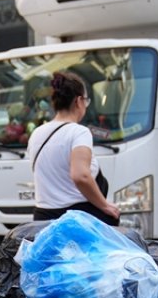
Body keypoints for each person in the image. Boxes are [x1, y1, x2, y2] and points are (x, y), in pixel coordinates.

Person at [27, 71, 121, 225]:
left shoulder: (37, 134)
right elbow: (80, 176)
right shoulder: (78, 132)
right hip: (77, 220)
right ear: (78, 101)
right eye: (86, 100)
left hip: (43, 219)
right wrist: (105, 206)